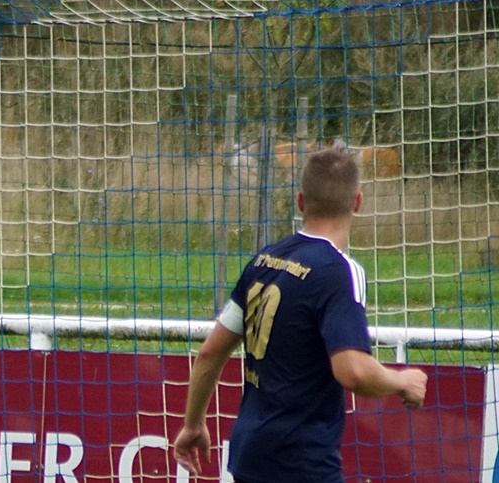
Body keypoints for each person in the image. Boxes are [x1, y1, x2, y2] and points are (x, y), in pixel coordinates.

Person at [172, 148, 427, 482]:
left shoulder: (264, 261)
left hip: (250, 454)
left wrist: (193, 424)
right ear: (358, 202)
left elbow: (210, 352)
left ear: (300, 201)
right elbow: (352, 371)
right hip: (301, 462)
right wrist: (401, 380)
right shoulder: (339, 271)